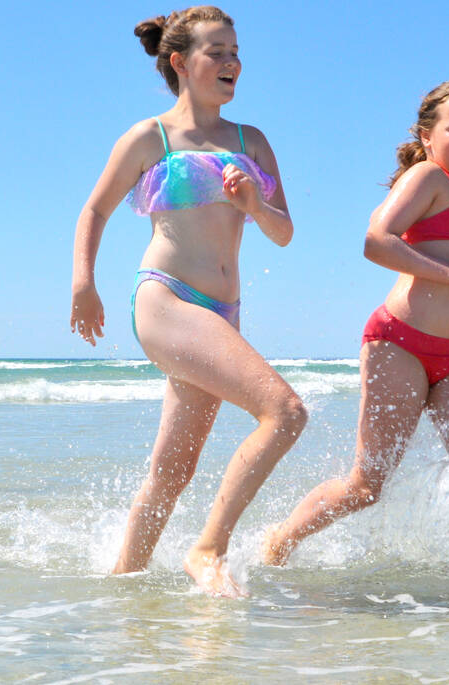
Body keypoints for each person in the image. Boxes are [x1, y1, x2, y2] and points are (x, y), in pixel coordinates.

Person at [69, 6, 304, 598]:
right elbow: (94, 209)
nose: (232, 63)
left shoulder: (251, 141)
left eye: (235, 52)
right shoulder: (150, 136)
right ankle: (208, 549)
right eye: (216, 52)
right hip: (168, 299)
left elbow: (284, 232)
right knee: (285, 412)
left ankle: (122, 586)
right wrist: (84, 284)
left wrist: (255, 204)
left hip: (222, 311)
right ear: (180, 62)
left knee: (171, 473)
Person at [261, 82, 449, 575]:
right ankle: (277, 546)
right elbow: (376, 241)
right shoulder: (427, 176)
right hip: (402, 345)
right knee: (367, 485)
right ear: (426, 134)